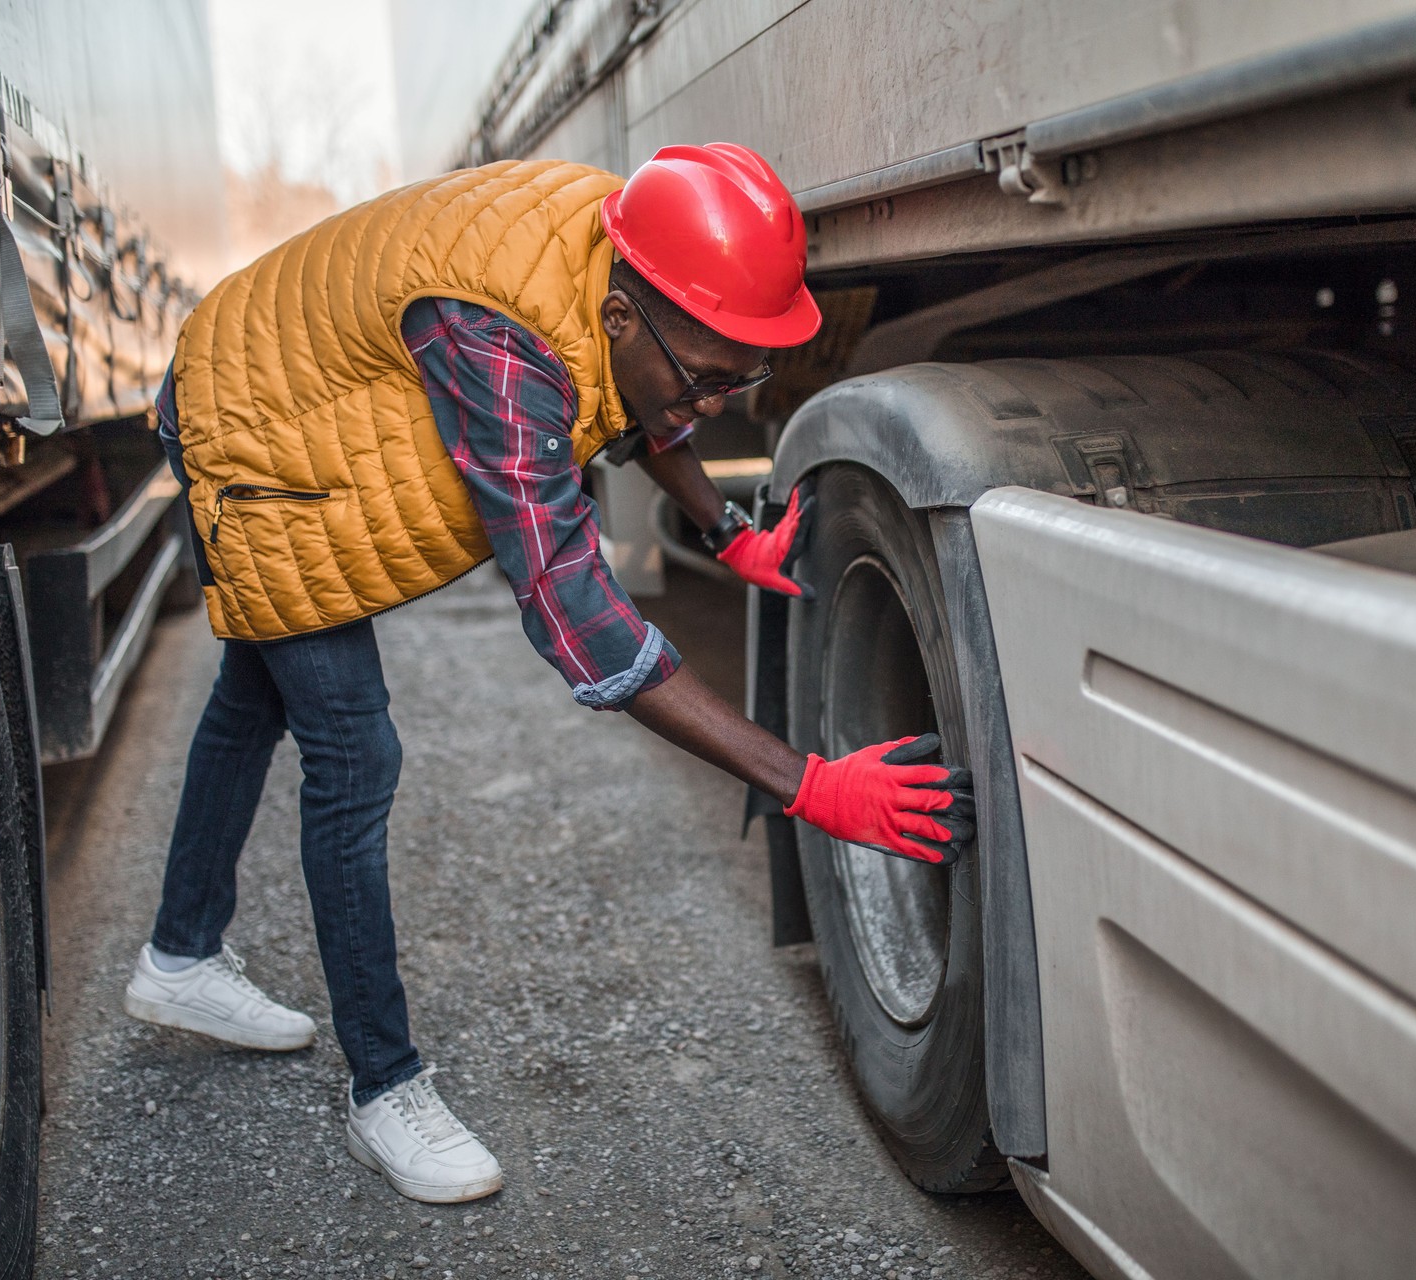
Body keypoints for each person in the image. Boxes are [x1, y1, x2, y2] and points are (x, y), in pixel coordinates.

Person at [122, 144, 974, 1204]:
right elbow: (577, 615)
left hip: (281, 378)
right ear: (623, 316)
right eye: (709, 376)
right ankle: (385, 1089)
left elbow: (640, 401)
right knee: (354, 746)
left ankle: (180, 957)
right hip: (245, 425)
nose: (713, 404)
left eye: (739, 376)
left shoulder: (619, 259)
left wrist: (724, 531)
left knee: (252, 700)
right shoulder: (497, 341)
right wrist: (804, 782)